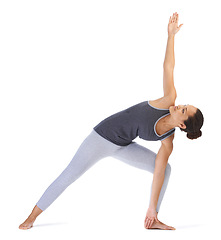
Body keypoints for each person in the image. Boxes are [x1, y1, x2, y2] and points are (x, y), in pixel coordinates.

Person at [19, 12, 204, 230]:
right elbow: (168, 68)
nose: (179, 106)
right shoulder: (167, 100)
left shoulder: (167, 140)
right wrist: (171, 36)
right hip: (102, 137)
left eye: (183, 111)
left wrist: (151, 207)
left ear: (182, 125)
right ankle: (31, 217)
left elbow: (159, 172)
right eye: (184, 105)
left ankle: (152, 218)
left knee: (166, 169)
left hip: (123, 145)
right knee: (69, 175)